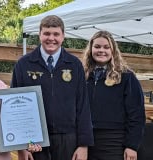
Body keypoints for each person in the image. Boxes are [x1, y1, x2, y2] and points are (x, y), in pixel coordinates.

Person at [11, 15, 94, 160]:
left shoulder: (75, 65)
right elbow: (14, 107)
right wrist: (22, 145)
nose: (51, 38)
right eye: (47, 33)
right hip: (34, 140)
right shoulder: (23, 64)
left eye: (56, 34)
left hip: (68, 138)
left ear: (63, 36)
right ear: (39, 35)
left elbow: (83, 106)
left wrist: (83, 145)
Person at [83, 30, 146, 160]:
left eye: (106, 47)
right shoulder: (83, 76)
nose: (101, 50)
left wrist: (132, 146)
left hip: (114, 142)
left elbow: (137, 114)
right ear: (90, 49)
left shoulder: (127, 77)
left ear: (113, 51)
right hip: (85, 141)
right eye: (97, 47)